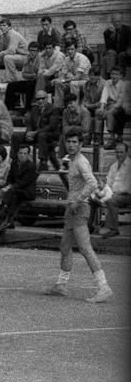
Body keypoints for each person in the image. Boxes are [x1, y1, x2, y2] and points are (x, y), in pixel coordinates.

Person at [45, 130, 113, 303]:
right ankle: (61, 285)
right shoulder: (71, 160)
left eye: (75, 142)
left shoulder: (81, 162)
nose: (71, 145)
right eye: (69, 141)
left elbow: (92, 183)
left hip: (80, 208)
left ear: (81, 144)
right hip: (72, 208)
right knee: (65, 246)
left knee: (84, 247)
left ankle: (103, 287)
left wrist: (78, 199)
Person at [0, 143, 39, 229]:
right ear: (17, 154)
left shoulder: (31, 166)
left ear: (28, 155)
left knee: (12, 192)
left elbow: (24, 182)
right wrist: (9, 185)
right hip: (15, 191)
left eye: (24, 153)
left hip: (27, 191)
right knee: (14, 196)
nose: (22, 155)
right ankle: (9, 221)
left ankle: (2, 212)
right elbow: (10, 177)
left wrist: (10, 187)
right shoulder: (14, 163)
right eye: (20, 153)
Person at [96, 141, 129, 237]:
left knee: (111, 200)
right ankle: (90, 226)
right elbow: (109, 182)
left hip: (127, 194)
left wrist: (111, 193)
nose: (118, 154)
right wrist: (102, 189)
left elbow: (127, 187)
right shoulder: (113, 166)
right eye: (117, 152)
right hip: (114, 193)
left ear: (127, 153)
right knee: (93, 198)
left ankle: (113, 229)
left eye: (121, 152)